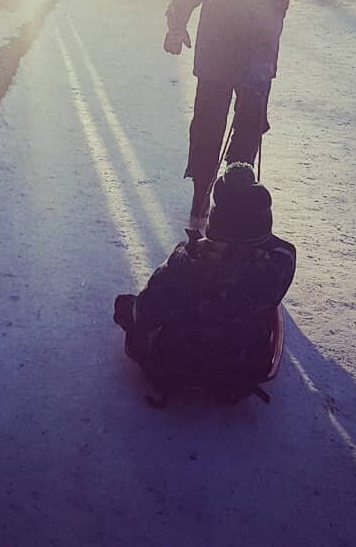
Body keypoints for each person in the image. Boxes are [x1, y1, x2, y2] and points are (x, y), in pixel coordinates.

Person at [164, 0, 303, 232]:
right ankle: (233, 200)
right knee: (248, 128)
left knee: (208, 124)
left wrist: (176, 24)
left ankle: (199, 203)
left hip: (213, 53)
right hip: (254, 59)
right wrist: (261, 62)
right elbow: (272, 15)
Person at [113, 163, 297, 404]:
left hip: (170, 369)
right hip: (239, 376)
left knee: (128, 305)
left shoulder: (184, 261)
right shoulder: (279, 264)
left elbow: (145, 312)